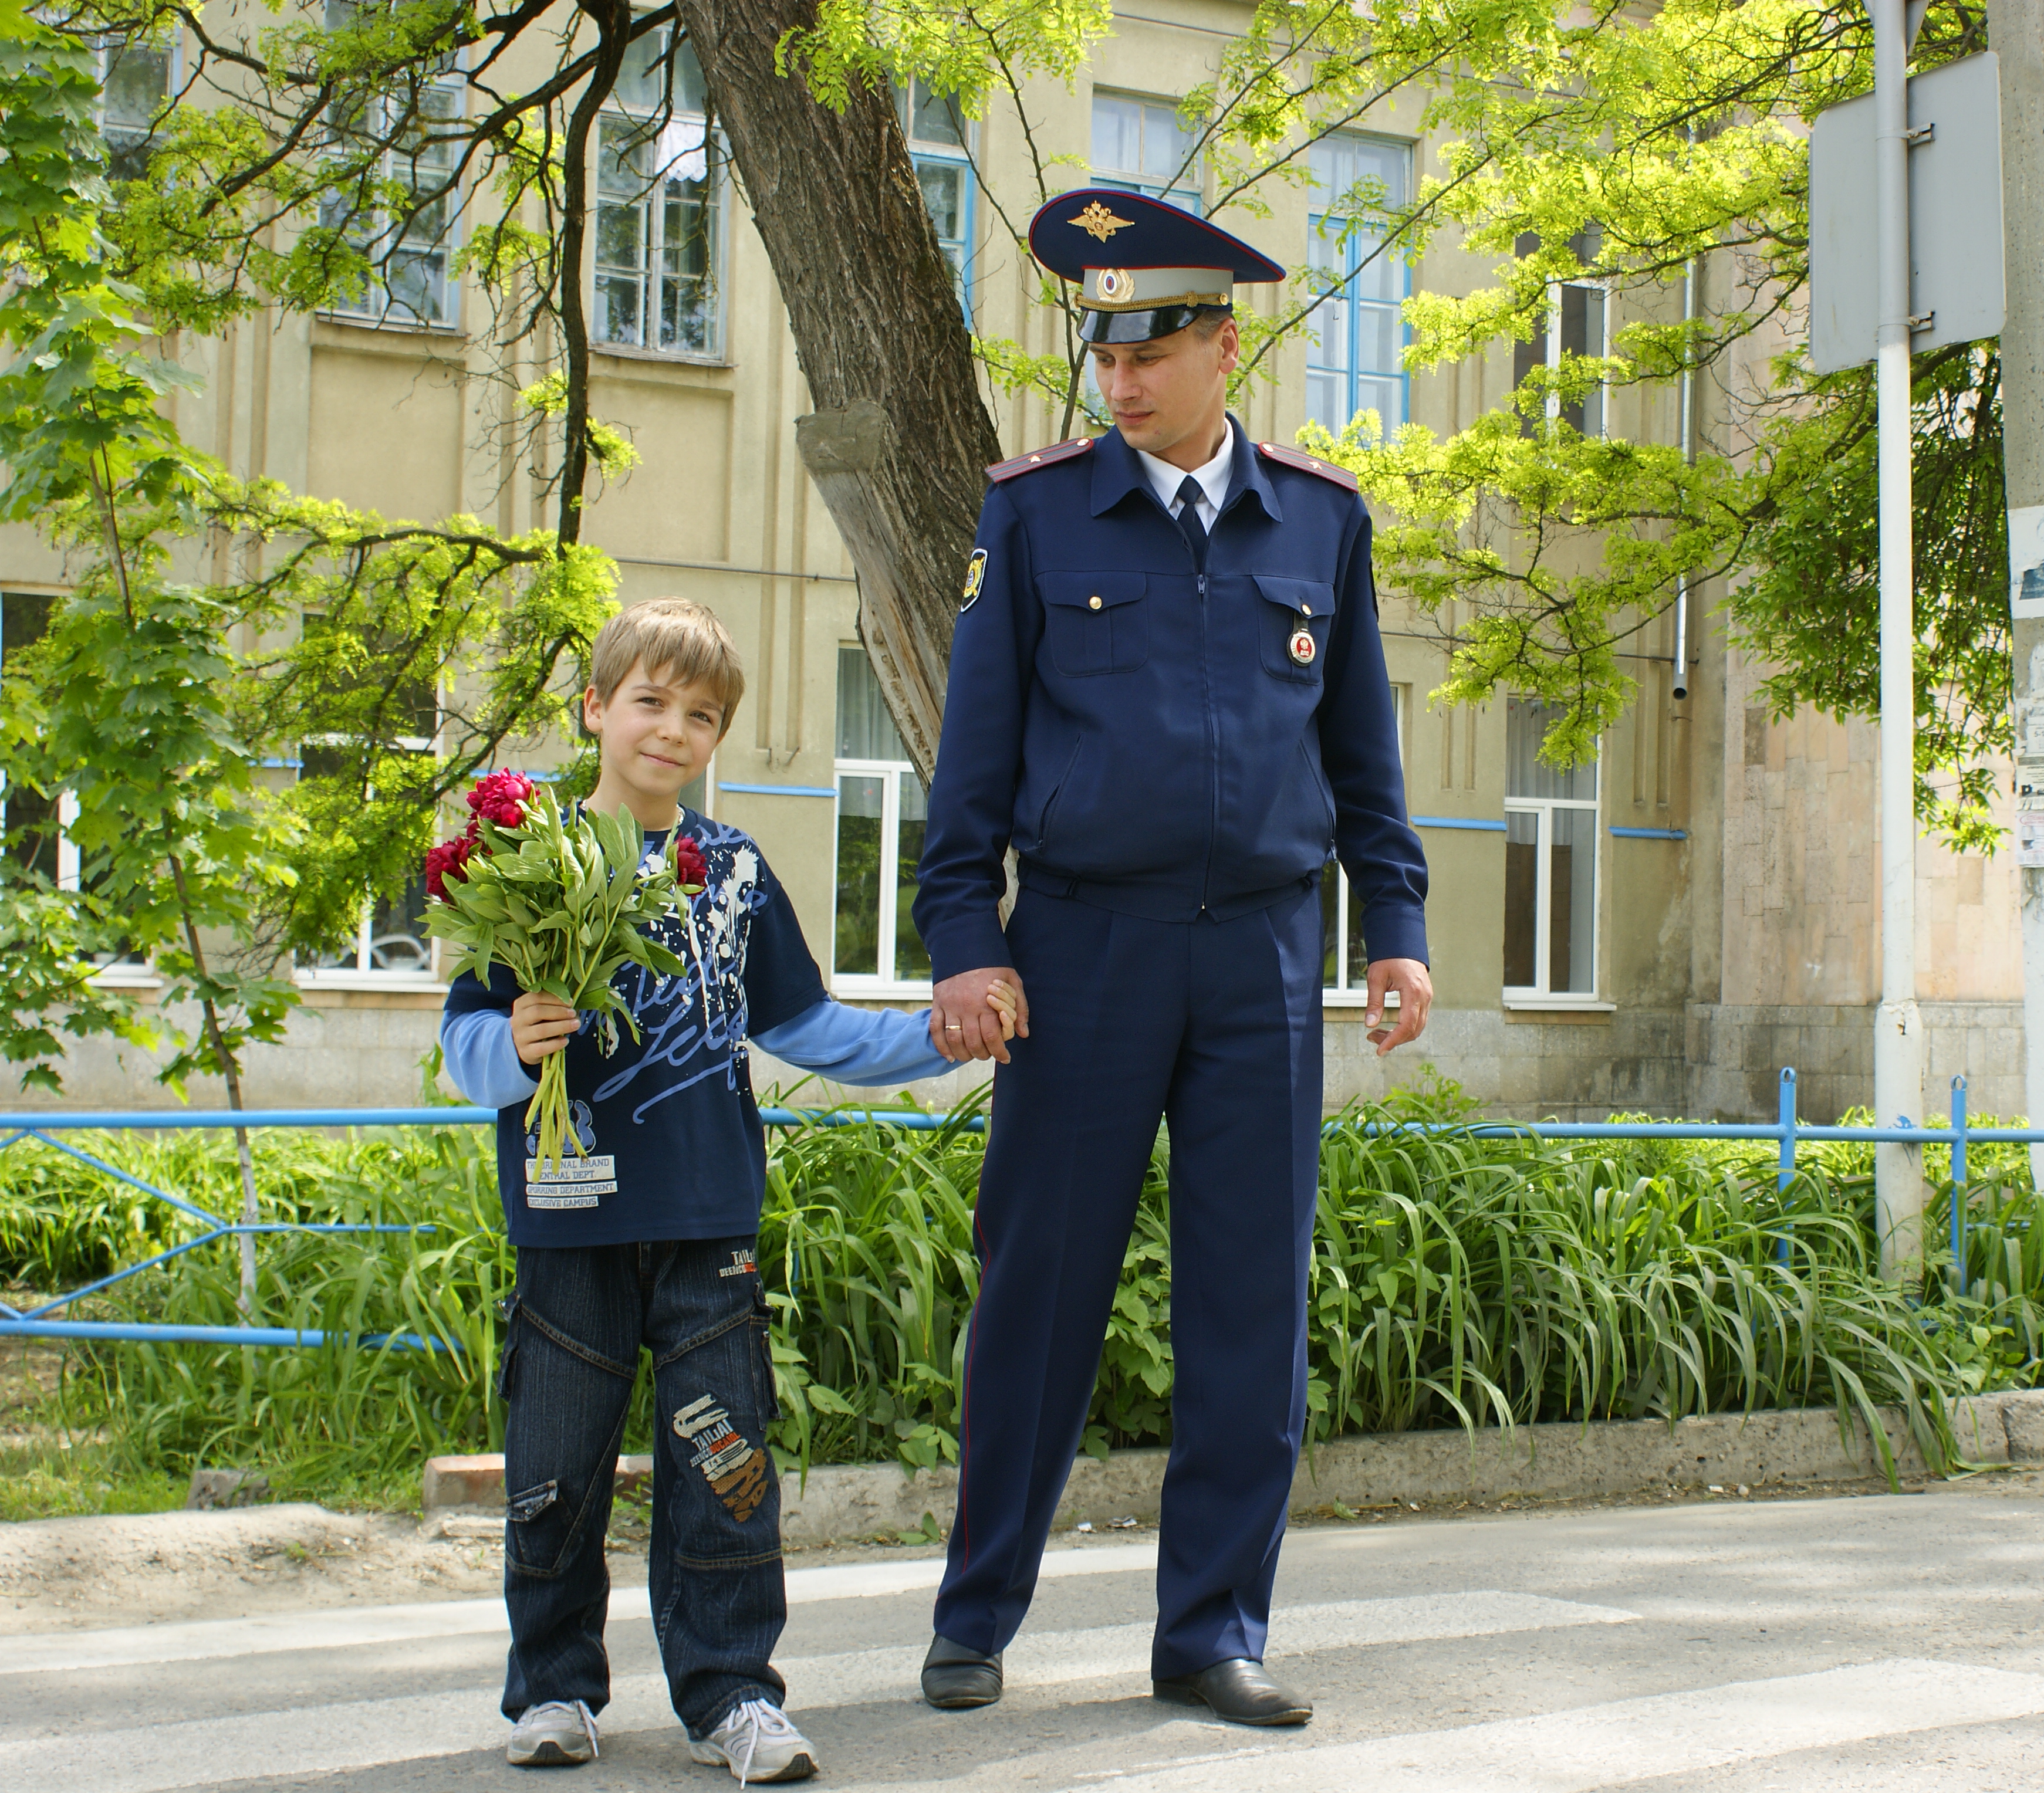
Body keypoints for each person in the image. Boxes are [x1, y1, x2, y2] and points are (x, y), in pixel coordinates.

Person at [910, 188, 1435, 1729]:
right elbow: (973, 768)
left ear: (1223, 346)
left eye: (1148, 351)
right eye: (1100, 352)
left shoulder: (1322, 526)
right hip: (1079, 953)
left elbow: (1367, 763)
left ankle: (1211, 1633)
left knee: (1249, 1311)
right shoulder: (1037, 514)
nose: (1118, 381)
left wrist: (1392, 929)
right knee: (1040, 1295)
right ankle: (975, 1613)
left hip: (1265, 961)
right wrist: (962, 943)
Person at [438, 599, 1009, 1782]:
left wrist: (943, 1038)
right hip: (567, 1218)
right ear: (596, 707)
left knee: (727, 1471)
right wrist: (520, 1045)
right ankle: (551, 1689)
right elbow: (463, 1044)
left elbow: (808, 1027)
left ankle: (733, 1692)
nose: (672, 730)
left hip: (707, 1225)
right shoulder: (529, 862)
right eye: (649, 702)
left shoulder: (733, 873)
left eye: (701, 715)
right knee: (552, 1472)